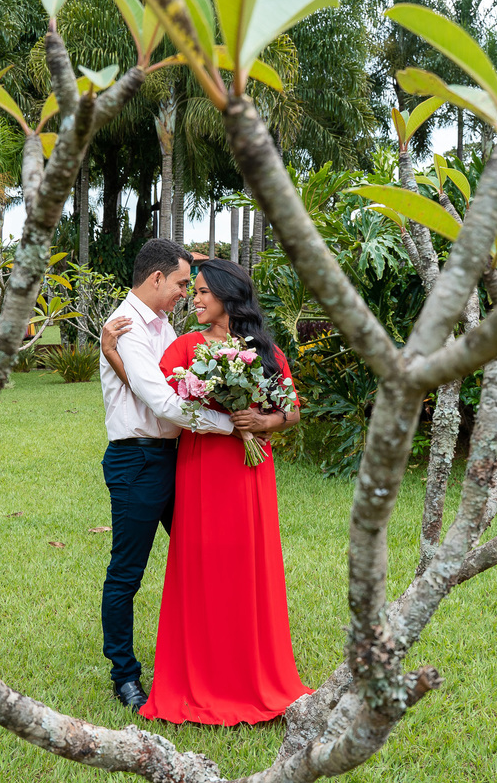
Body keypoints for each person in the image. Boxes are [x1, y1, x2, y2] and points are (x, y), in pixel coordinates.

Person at [102, 258, 311, 725]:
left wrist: (263, 421)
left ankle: (252, 671)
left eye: (200, 292)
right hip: (199, 469)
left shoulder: (264, 350)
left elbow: (292, 410)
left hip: (250, 474)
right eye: (189, 289)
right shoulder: (186, 346)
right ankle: (197, 675)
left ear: (226, 297)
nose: (193, 299)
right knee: (202, 569)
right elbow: (152, 392)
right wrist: (113, 356)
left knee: (246, 568)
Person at [98, 239, 237, 712]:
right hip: (137, 462)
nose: (185, 293)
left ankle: (211, 661)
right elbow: (158, 400)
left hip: (176, 459)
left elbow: (155, 384)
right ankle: (125, 676)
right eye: (181, 284)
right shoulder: (127, 327)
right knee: (127, 573)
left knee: (202, 557)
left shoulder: (159, 327)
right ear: (156, 279)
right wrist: (231, 427)